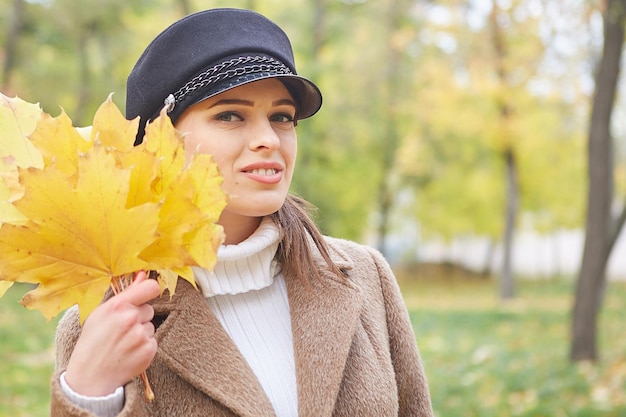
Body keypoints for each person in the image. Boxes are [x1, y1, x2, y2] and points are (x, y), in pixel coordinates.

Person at [50, 8, 433, 417]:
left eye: (282, 117)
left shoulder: (366, 276)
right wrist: (89, 394)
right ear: (160, 141)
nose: (269, 139)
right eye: (230, 115)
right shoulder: (106, 321)